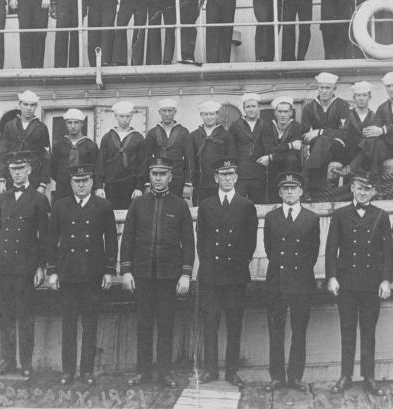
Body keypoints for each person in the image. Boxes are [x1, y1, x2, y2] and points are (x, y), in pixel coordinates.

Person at [120, 157, 195, 388]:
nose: (159, 178)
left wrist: (185, 274)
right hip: (142, 275)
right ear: (150, 176)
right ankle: (142, 372)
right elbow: (128, 238)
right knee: (143, 324)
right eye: (155, 174)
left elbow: (188, 243)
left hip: (168, 276)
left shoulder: (179, 205)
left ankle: (164, 373)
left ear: (170, 177)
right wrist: (126, 271)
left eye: (163, 174)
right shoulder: (138, 204)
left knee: (165, 324)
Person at [47, 164, 118, 386]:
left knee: (90, 324)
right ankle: (67, 371)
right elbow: (51, 240)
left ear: (92, 182)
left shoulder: (103, 206)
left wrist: (109, 270)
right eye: (77, 181)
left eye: (85, 180)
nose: (81, 185)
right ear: (71, 183)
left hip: (92, 274)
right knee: (68, 325)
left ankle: (87, 370)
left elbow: (111, 240)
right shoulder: (60, 206)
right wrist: (52, 271)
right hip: (68, 274)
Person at [326, 173, 393, 396]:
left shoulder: (381, 216)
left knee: (368, 331)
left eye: (367, 189)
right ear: (352, 188)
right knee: (347, 331)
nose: (363, 193)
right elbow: (331, 248)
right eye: (359, 188)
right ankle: (345, 376)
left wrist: (386, 280)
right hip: (346, 283)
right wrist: (332, 276)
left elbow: (388, 252)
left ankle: (369, 377)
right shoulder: (340, 215)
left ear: (373, 192)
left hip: (371, 284)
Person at [196, 157, 258, 387]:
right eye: (223, 174)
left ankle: (232, 372)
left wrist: (238, 264)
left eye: (231, 174)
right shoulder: (206, 205)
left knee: (234, 324)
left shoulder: (246, 205)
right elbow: (202, 241)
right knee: (210, 323)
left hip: (235, 275)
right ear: (216, 178)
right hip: (211, 275)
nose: (227, 178)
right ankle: (210, 370)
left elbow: (250, 242)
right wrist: (208, 267)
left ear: (237, 177)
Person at [0, 151, 50, 378]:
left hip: (26, 267)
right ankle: (7, 361)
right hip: (4, 267)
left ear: (29, 170)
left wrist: (41, 267)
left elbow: (44, 237)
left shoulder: (39, 199)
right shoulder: (2, 199)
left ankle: (26, 363)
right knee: (5, 316)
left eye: (21, 168)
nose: (17, 173)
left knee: (25, 317)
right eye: (13, 169)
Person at [263, 172, 320, 392]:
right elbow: (269, 249)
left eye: (293, 188)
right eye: (285, 188)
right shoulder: (271, 217)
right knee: (275, 331)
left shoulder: (311, 218)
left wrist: (297, 271)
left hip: (301, 282)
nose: (289, 192)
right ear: (279, 192)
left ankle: (295, 377)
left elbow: (313, 253)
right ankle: (276, 377)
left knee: (299, 331)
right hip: (276, 281)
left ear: (301, 192)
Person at [354, 71, 393, 174]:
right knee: (376, 142)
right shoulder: (383, 106)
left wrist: (383, 130)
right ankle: (373, 175)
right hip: (390, 145)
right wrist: (369, 131)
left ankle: (355, 168)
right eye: (388, 86)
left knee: (380, 139)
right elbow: (376, 124)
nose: (391, 89)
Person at [301, 72, 350, 194]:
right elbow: (305, 135)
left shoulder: (342, 105)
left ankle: (307, 177)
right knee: (322, 143)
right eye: (321, 88)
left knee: (323, 139)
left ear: (334, 88)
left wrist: (320, 132)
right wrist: (318, 136)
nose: (324, 91)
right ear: (317, 88)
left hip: (338, 149)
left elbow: (344, 133)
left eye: (327, 88)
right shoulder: (309, 107)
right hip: (318, 150)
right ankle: (320, 191)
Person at [95, 101, 146, 209]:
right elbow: (100, 163)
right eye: (121, 116)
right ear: (116, 116)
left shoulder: (138, 138)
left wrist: (139, 187)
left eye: (127, 116)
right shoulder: (107, 137)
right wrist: (99, 186)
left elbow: (142, 164)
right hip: (111, 185)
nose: (124, 120)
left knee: (130, 214)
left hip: (131, 186)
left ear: (131, 116)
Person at [1, 90, 51, 193]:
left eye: (32, 105)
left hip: (34, 179)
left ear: (36, 106)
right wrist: (1, 180)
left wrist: (43, 184)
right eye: (25, 104)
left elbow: (46, 157)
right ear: (19, 104)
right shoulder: (10, 125)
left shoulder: (41, 128)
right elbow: (2, 153)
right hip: (12, 177)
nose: (29, 108)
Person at [144, 99, 194, 200]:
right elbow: (146, 159)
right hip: (158, 179)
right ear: (159, 112)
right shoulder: (152, 133)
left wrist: (188, 183)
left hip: (177, 180)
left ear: (175, 112)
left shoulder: (183, 132)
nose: (167, 114)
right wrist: (147, 183)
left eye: (170, 111)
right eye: (164, 111)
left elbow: (190, 158)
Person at [259, 96, 303, 203]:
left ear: (291, 113)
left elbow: (293, 153)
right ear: (275, 113)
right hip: (273, 169)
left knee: (291, 158)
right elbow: (269, 149)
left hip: (291, 169)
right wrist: (290, 145)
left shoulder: (296, 127)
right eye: (280, 112)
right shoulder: (268, 127)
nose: (283, 115)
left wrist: (271, 157)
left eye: (286, 112)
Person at [190, 101, 235, 202]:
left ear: (217, 115)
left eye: (212, 114)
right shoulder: (194, 136)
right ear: (201, 115)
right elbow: (191, 160)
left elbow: (231, 159)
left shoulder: (226, 135)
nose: (209, 117)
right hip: (200, 183)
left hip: (220, 183)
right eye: (206, 114)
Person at [50, 108, 98, 201]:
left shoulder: (91, 146)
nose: (73, 126)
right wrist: (64, 179)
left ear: (82, 124)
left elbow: (96, 169)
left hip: (83, 189)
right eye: (70, 122)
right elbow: (53, 170)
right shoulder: (58, 146)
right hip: (63, 189)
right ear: (65, 124)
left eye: (76, 122)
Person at [229, 93, 269, 203]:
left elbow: (269, 146)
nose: (251, 109)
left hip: (259, 173)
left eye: (253, 106)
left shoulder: (266, 125)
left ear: (258, 107)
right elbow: (231, 149)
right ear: (244, 108)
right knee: (238, 204)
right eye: (248, 107)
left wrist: (268, 158)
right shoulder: (236, 126)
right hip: (241, 173)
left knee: (258, 204)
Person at [342, 82, 383, 176]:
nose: (361, 98)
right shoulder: (347, 116)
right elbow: (343, 135)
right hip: (349, 155)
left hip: (369, 159)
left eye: (364, 95)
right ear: (354, 98)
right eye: (358, 95)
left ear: (370, 97)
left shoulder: (375, 117)